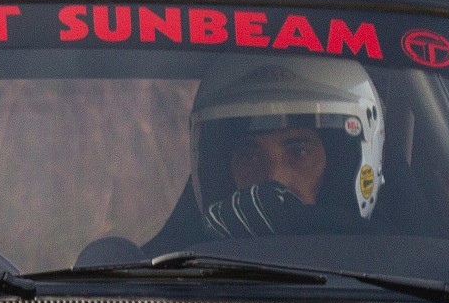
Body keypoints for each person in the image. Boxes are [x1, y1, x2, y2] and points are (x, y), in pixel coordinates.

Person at [162, 56, 387, 244]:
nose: (274, 179)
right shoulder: (169, 271)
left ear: (342, 165)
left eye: (299, 153)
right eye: (250, 157)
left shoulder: (395, 267)